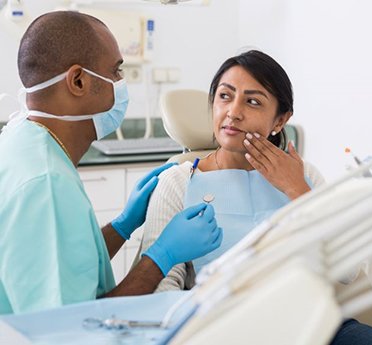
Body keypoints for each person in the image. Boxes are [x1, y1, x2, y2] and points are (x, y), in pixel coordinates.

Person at [138, 50, 372, 344]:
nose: (233, 112)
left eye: (252, 101)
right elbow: (161, 289)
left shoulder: (303, 174)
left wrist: (298, 192)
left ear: (280, 120)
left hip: (312, 327)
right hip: (217, 330)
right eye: (225, 96)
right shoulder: (179, 181)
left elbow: (350, 272)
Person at [0, 11, 222, 315]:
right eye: (116, 72)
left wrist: (122, 226)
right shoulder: (45, 182)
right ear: (78, 81)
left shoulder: (25, 141)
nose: (121, 83)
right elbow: (74, 325)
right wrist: (162, 257)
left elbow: (64, 264)